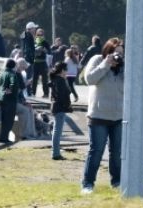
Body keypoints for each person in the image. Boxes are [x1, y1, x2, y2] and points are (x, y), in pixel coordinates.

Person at [81, 38, 125, 194]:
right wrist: (106, 64)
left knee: (117, 152)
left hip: (118, 116)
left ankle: (117, 181)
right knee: (96, 151)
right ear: (108, 50)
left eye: (121, 53)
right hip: (99, 115)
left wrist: (123, 66)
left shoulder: (122, 67)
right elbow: (89, 79)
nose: (118, 56)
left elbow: (132, 85)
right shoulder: (97, 59)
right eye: (115, 52)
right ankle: (87, 184)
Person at [49, 62, 72, 160]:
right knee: (57, 131)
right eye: (66, 70)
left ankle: (55, 151)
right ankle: (56, 153)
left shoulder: (54, 79)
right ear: (62, 70)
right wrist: (67, 106)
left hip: (55, 106)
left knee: (56, 130)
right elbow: (63, 95)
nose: (67, 72)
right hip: (60, 107)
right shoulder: (61, 80)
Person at [0, 59, 20, 144]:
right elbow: (13, 84)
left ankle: (2, 137)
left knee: (3, 119)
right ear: (13, 66)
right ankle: (4, 138)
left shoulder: (1, 73)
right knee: (8, 120)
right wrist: (10, 90)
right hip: (9, 100)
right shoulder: (12, 74)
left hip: (0, 98)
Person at [14, 58, 38, 140]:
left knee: (30, 109)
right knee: (25, 111)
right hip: (13, 102)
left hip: (18, 101)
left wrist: (25, 102)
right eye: (24, 68)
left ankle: (32, 133)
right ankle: (25, 134)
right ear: (20, 66)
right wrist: (23, 102)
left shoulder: (20, 74)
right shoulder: (15, 74)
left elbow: (20, 93)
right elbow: (17, 91)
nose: (24, 70)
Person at [32, 28, 51, 97]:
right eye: (38, 34)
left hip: (43, 63)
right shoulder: (34, 42)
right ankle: (33, 93)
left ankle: (46, 93)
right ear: (36, 34)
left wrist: (44, 50)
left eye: (41, 34)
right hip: (35, 63)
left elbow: (49, 52)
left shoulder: (45, 42)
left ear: (43, 34)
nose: (40, 36)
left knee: (44, 80)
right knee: (34, 79)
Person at [21, 22, 37, 93]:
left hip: (24, 57)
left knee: (26, 74)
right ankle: (28, 91)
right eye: (34, 28)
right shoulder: (29, 35)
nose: (35, 30)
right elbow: (28, 48)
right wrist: (32, 56)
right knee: (29, 75)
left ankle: (27, 90)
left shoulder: (23, 34)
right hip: (28, 58)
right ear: (31, 29)